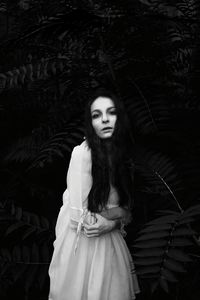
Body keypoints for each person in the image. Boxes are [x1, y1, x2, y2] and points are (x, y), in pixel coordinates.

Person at [48, 87, 140, 300]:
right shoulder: (83, 154)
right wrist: (117, 217)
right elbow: (81, 221)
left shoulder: (119, 155)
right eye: (97, 115)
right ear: (90, 123)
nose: (105, 120)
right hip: (84, 247)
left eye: (111, 112)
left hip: (109, 238)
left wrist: (115, 221)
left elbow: (128, 212)